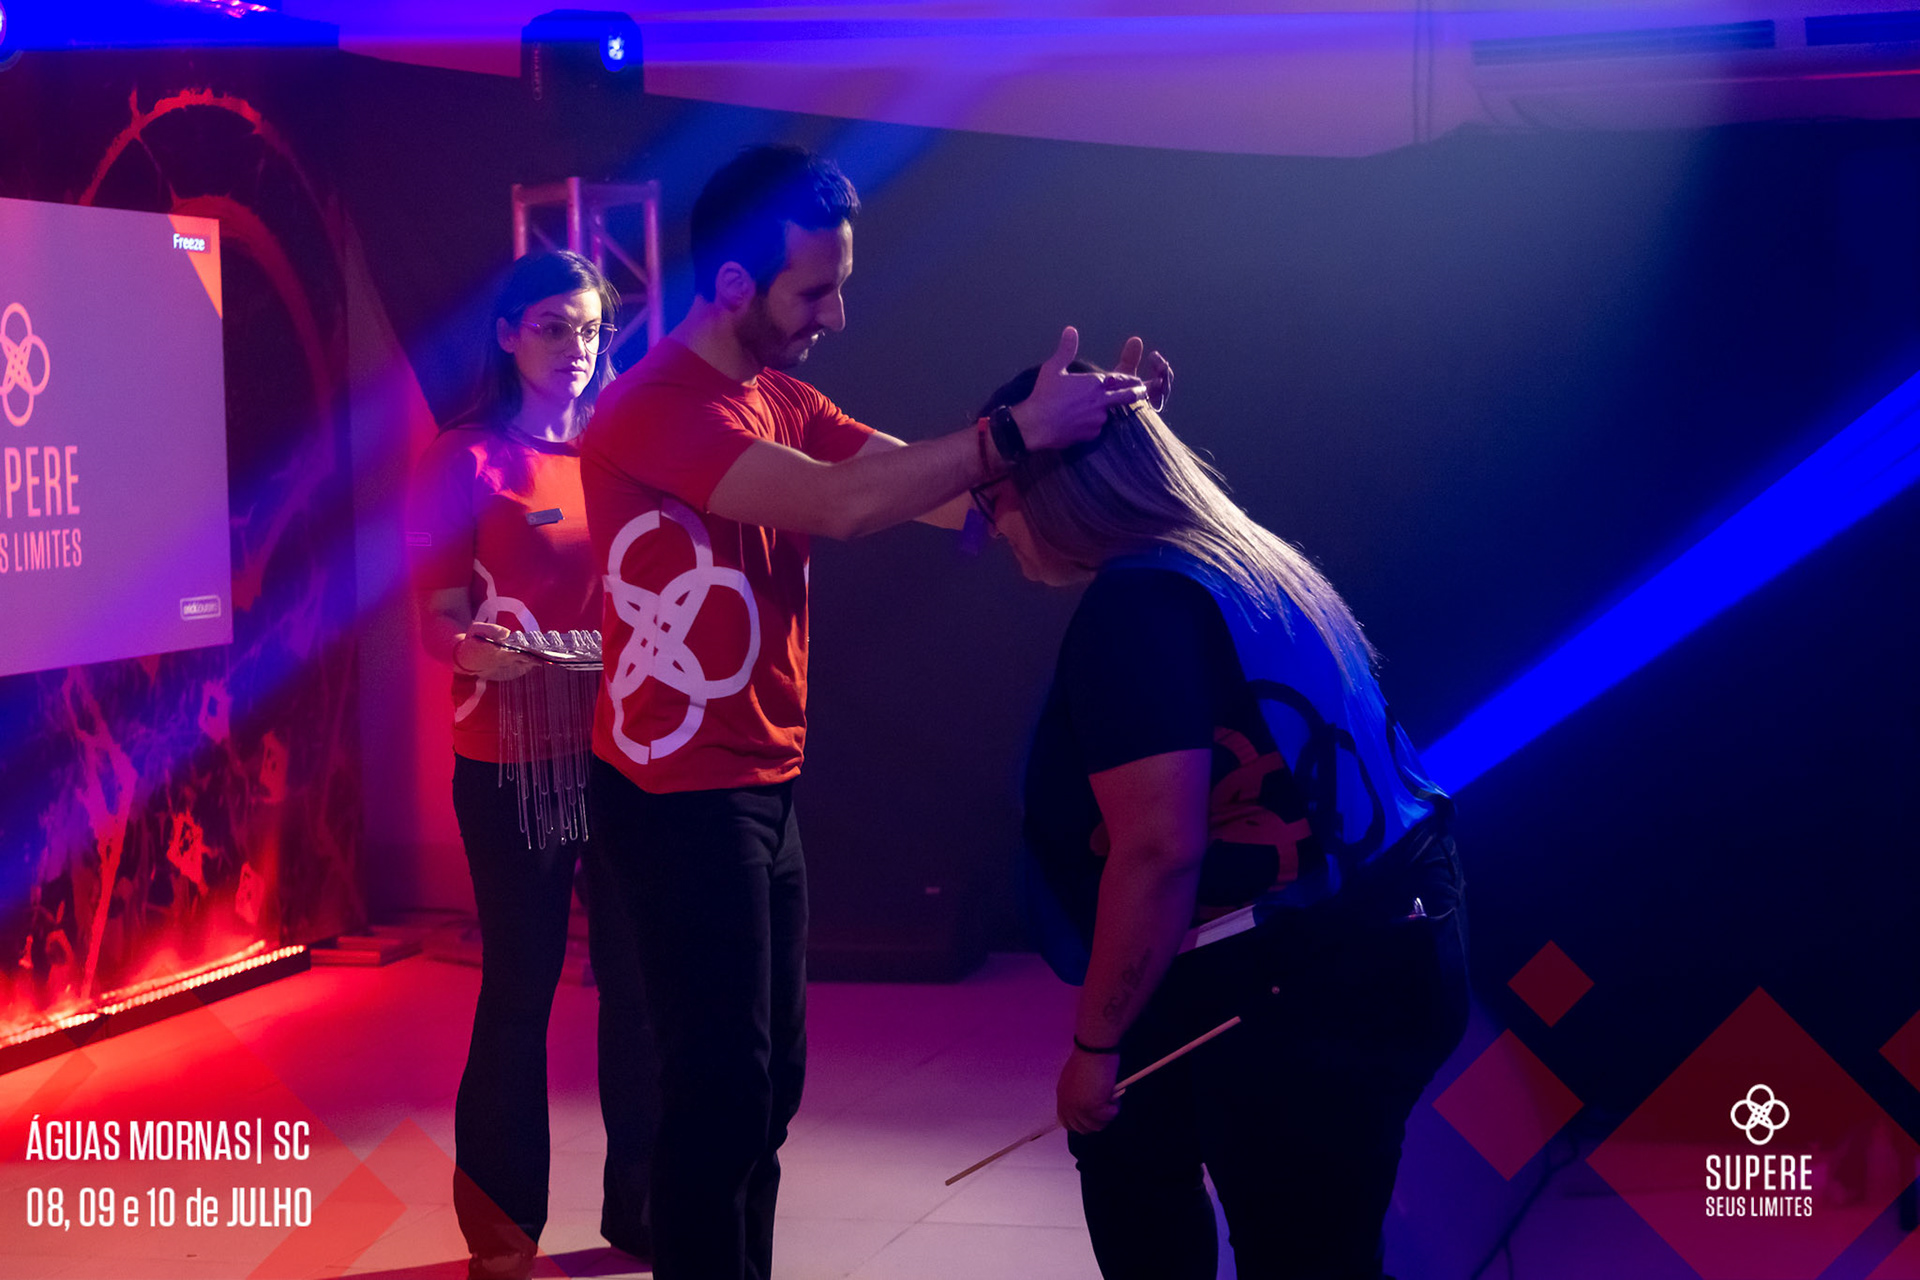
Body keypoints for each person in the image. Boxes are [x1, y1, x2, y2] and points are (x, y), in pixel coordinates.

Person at [578, 144, 1162, 1280]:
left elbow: (933, 493)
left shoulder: (784, 397)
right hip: (672, 794)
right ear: (735, 284)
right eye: (817, 291)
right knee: (720, 1093)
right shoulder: (649, 409)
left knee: (770, 1090)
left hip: (759, 783)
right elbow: (841, 505)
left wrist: (1096, 435)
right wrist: (1014, 432)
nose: (837, 315)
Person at [973, 366, 1469, 1280]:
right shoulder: (1234, 557)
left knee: (1295, 1249)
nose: (987, 530)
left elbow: (1159, 851)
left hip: (1308, 976)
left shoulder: (1136, 605)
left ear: (1049, 489)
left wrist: (1094, 1046)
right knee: (1141, 1157)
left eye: (990, 502)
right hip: (1391, 927)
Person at [407, 251, 656, 1280]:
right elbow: (436, 615)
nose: (576, 345)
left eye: (590, 327)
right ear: (507, 333)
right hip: (512, 761)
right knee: (521, 987)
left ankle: (644, 1207)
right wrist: (471, 650)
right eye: (553, 325)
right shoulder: (463, 458)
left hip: (630, 749)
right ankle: (504, 1237)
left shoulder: (627, 445)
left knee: (641, 981)